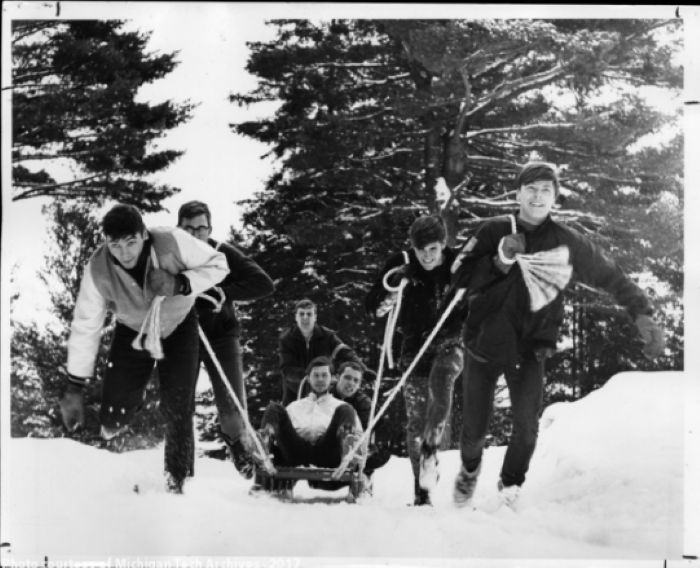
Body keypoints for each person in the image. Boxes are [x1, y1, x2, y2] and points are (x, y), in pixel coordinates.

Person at [450, 161, 666, 509]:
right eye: (531, 189)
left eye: (545, 190)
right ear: (518, 193)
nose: (537, 196)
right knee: (474, 431)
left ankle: (510, 484)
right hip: (483, 345)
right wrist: (500, 258)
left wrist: (641, 313)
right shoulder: (492, 230)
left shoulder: (566, 242)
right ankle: (470, 469)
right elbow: (458, 274)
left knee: (527, 430)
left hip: (530, 349)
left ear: (555, 197)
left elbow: (609, 275)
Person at [60, 204, 229, 494]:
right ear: (106, 242)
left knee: (178, 405)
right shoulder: (98, 268)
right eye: (115, 245)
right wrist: (74, 386)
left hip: (178, 324)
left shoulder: (172, 241)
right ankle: (125, 407)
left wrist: (181, 282)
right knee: (113, 416)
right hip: (133, 330)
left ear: (144, 236)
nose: (124, 253)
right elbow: (86, 325)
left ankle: (177, 483)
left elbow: (219, 264)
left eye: (131, 243)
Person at [365, 216, 465, 506]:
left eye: (432, 249)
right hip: (414, 347)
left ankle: (432, 447)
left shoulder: (458, 263)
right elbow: (373, 307)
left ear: (443, 244)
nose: (427, 256)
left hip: (450, 341)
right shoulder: (402, 261)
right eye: (421, 250)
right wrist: (393, 285)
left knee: (442, 379)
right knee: (416, 421)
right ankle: (422, 493)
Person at [177, 200, 274, 479]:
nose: (195, 235)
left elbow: (264, 283)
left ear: (210, 229)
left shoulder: (222, 252)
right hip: (183, 335)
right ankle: (181, 467)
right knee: (180, 406)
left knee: (232, 408)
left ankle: (238, 447)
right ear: (178, 229)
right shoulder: (169, 252)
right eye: (188, 229)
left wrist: (225, 292)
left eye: (201, 228)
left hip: (221, 335)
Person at [250, 356, 365, 497]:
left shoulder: (340, 407)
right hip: (296, 451)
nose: (320, 379)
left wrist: (358, 449)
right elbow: (284, 433)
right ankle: (264, 440)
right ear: (309, 378)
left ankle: (348, 444)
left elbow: (360, 434)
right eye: (315, 375)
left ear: (332, 379)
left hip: (327, 452)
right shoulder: (295, 406)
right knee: (275, 408)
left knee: (345, 409)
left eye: (324, 375)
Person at [278, 298, 358, 405]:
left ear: (315, 317)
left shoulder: (327, 336)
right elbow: (286, 369)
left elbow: (346, 353)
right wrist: (308, 375)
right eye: (301, 314)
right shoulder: (286, 339)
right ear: (296, 317)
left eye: (309, 314)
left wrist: (363, 369)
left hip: (323, 390)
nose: (305, 317)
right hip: (295, 391)